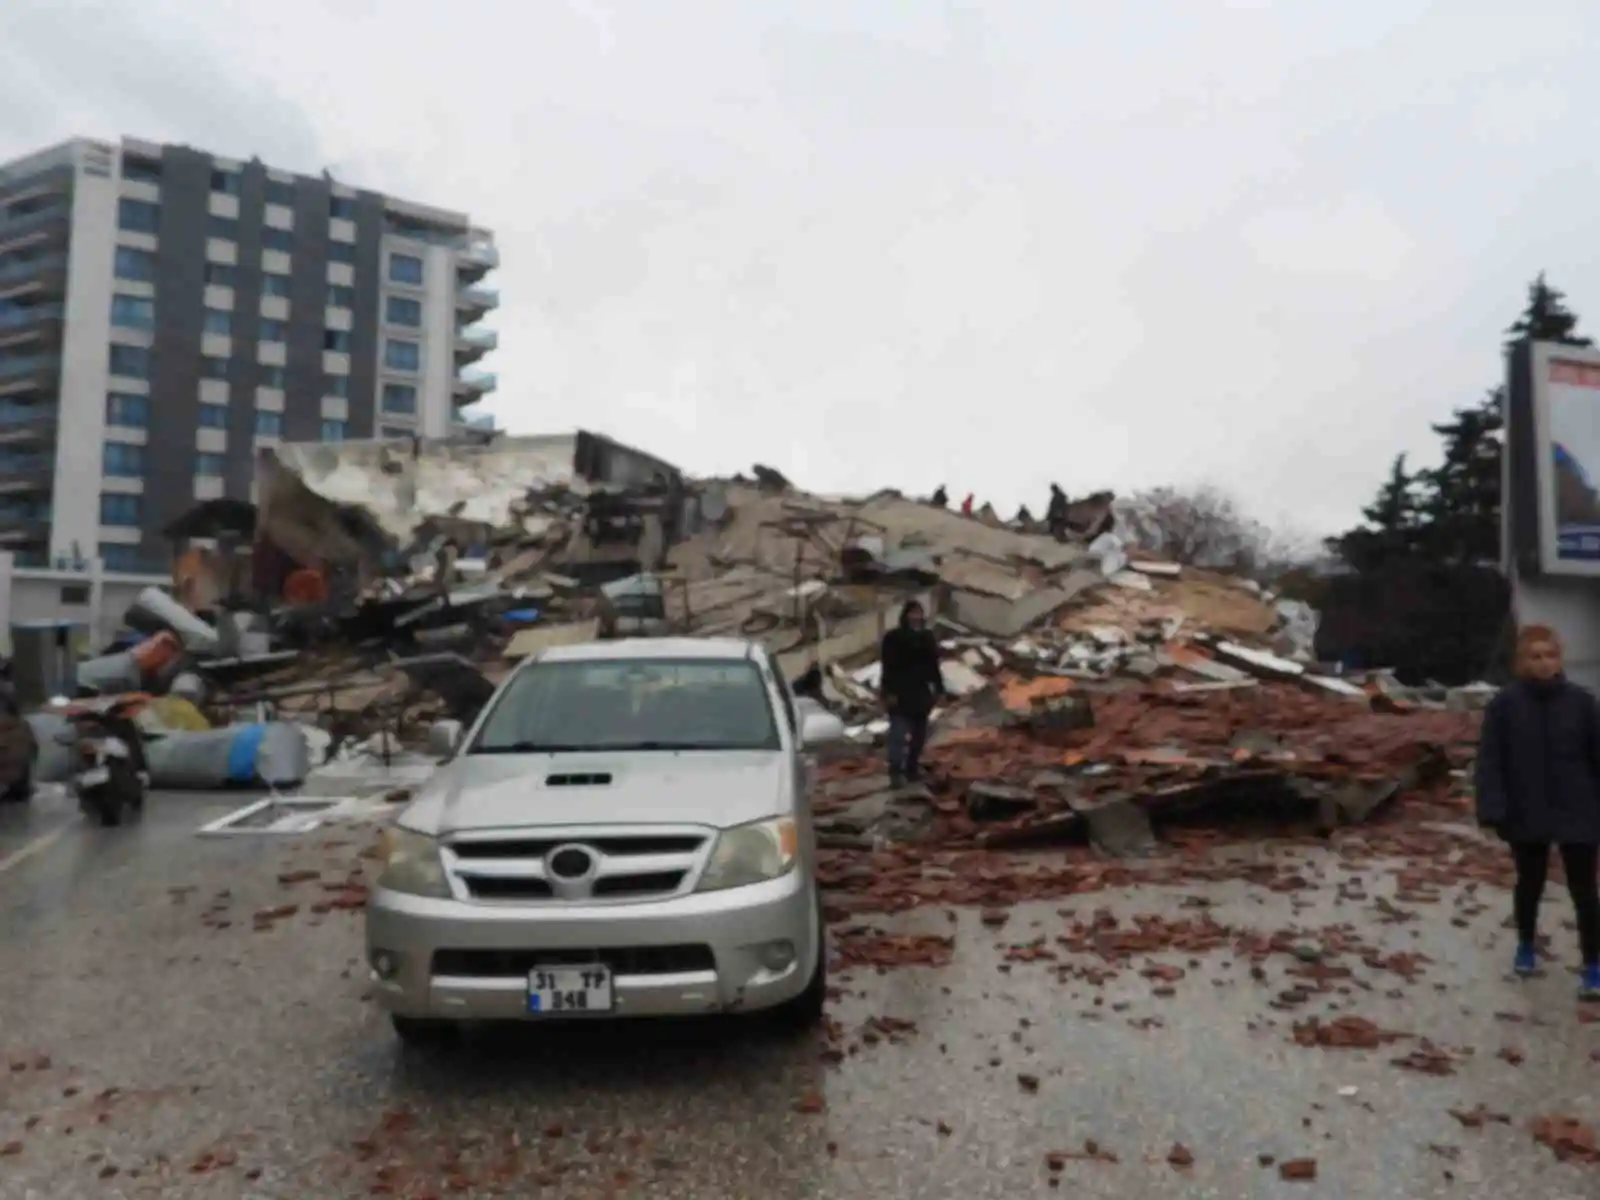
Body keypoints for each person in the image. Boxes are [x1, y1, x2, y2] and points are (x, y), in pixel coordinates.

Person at [1475, 624, 1600, 1000]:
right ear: (1521, 662)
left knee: (1585, 890)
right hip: (1525, 808)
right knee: (1530, 883)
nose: (1544, 663)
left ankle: (1593, 964)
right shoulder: (1504, 706)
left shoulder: (1582, 703)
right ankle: (1526, 945)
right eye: (1535, 656)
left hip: (1578, 807)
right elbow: (1490, 760)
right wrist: (1492, 808)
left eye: (1550, 655)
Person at [879, 600, 945, 786]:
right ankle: (895, 772)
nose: (916, 617)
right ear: (905, 616)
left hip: (920, 694)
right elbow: (887, 667)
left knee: (919, 736)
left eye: (919, 614)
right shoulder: (893, 638)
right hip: (898, 693)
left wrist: (939, 689)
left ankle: (912, 768)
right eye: (912, 613)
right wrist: (888, 692)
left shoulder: (927, 638)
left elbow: (933, 666)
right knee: (898, 735)